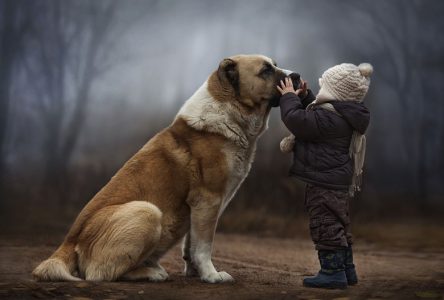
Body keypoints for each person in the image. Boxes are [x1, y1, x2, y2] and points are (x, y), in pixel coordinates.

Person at [276, 63, 372, 289]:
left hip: (324, 182)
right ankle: (347, 270)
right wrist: (305, 96)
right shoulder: (342, 115)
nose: (320, 92)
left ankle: (332, 273)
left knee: (325, 224)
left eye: (323, 88)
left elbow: (297, 120)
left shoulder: (329, 119)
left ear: (335, 93)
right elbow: (316, 114)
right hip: (335, 180)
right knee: (339, 224)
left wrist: (288, 98)